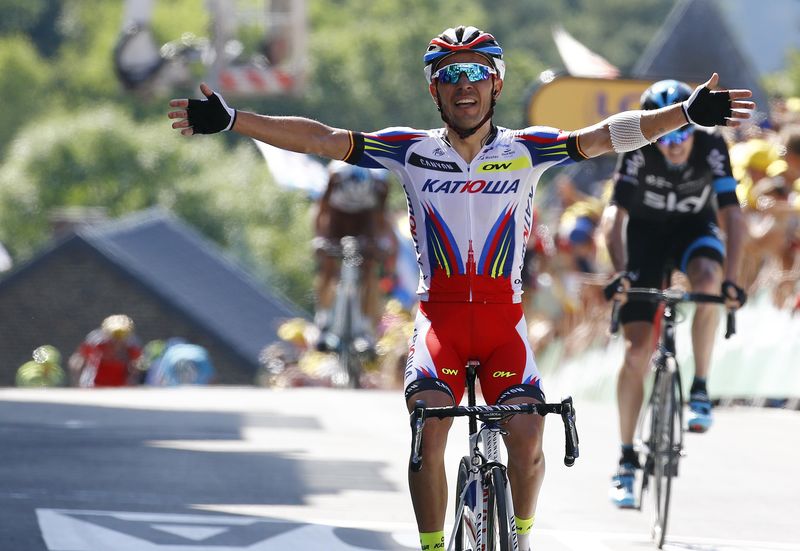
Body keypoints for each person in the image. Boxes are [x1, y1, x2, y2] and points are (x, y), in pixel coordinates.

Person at [168, 26, 753, 550]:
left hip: (503, 323)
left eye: (476, 73)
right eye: (450, 76)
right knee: (429, 427)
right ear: (435, 92)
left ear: (496, 85)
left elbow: (605, 136)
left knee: (528, 437)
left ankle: (519, 540)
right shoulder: (410, 150)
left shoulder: (528, 149)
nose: (463, 85)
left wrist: (685, 113)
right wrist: (234, 120)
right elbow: (321, 140)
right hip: (441, 323)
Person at [602, 79, 749, 509]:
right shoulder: (639, 142)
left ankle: (700, 387)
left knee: (707, 280)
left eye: (683, 134)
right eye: (667, 135)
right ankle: (626, 459)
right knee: (635, 353)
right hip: (645, 240)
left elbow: (733, 216)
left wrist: (733, 281)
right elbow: (614, 216)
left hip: (692, 231)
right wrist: (622, 272)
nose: (676, 143)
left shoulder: (710, 142)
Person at [313, 160, 395, 352]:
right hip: (336, 218)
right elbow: (321, 211)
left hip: (365, 220)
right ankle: (323, 320)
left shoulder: (380, 185)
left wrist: (380, 246)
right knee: (327, 266)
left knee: (369, 269)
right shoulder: (335, 177)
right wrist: (319, 240)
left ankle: (366, 328)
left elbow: (381, 220)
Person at [69, 314, 143, 387]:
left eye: (122, 336)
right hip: (95, 385)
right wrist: (77, 381)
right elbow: (77, 361)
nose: (117, 340)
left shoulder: (131, 345)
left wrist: (132, 382)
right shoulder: (96, 342)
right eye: (114, 336)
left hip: (120, 387)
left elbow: (136, 366)